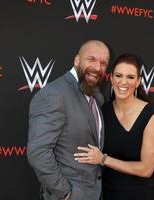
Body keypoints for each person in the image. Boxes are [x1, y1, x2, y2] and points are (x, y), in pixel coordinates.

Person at [27, 40, 110, 200]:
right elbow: (38, 152)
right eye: (91, 59)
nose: (98, 68)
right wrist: (64, 193)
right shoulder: (54, 94)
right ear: (77, 60)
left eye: (103, 63)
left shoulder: (97, 96)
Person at [74, 53, 154, 200]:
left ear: (138, 82)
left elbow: (146, 169)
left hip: (143, 194)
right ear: (111, 78)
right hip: (110, 193)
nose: (123, 82)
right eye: (118, 75)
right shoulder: (103, 110)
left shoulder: (151, 116)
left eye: (130, 77)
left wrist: (103, 159)